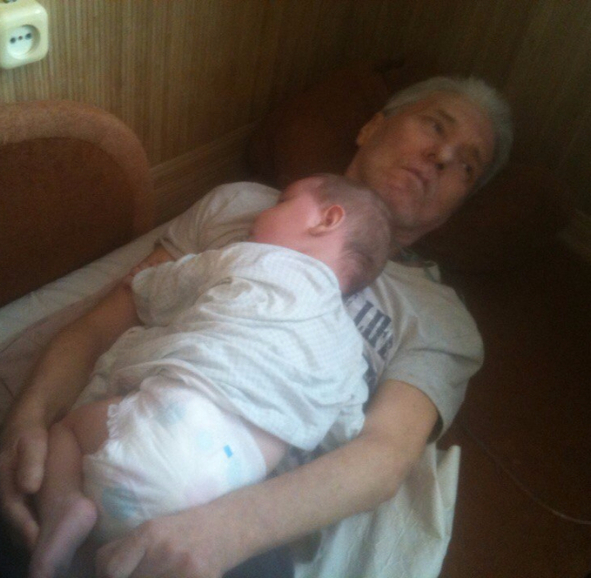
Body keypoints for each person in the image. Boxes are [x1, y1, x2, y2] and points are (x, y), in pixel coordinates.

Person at [0, 74, 512, 578]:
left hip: (235, 530)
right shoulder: (242, 207)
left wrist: (225, 532)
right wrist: (27, 418)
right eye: (436, 126)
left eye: (467, 165)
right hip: (96, 441)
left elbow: (382, 455)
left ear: (457, 204)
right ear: (374, 125)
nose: (442, 157)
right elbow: (105, 321)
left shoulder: (441, 321)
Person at [27, 174, 392, 578]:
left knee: (66, 432)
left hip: (162, 431)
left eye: (283, 201)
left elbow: (173, 284)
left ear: (327, 220)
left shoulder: (253, 258)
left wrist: (144, 280)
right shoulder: (349, 350)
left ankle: (66, 507)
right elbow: (347, 426)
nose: (261, 212)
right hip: (223, 495)